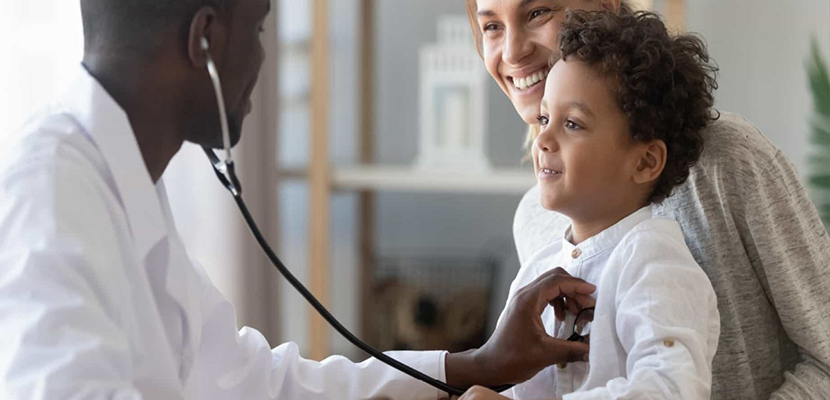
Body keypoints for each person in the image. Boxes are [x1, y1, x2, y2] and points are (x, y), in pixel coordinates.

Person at [0, 0, 598, 399]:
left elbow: (255, 380)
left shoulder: (121, 183)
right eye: (259, 29)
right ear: (205, 41)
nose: (263, 59)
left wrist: (479, 364)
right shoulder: (47, 194)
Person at [460, 0, 830, 399]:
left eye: (537, 12)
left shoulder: (729, 162)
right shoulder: (537, 222)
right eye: (492, 27)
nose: (513, 52)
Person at [492, 10, 723, 399]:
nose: (543, 139)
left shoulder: (654, 261)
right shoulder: (538, 270)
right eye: (545, 117)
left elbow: (669, 388)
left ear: (646, 161)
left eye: (572, 124)